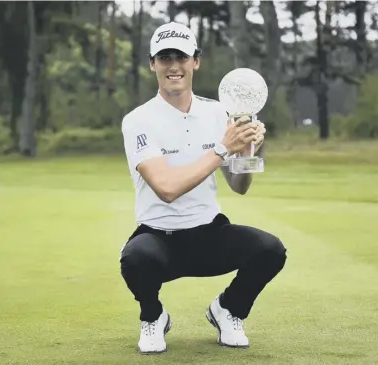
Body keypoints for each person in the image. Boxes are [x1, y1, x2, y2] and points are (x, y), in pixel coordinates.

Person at [119, 21, 287, 355]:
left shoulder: (217, 112)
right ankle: (153, 317)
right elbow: (166, 188)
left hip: (209, 234)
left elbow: (238, 186)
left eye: (181, 57)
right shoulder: (138, 120)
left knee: (271, 249)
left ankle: (228, 309)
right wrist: (222, 149)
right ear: (152, 64)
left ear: (195, 61)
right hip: (158, 237)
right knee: (136, 259)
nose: (173, 66)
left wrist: (248, 150)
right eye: (164, 58)